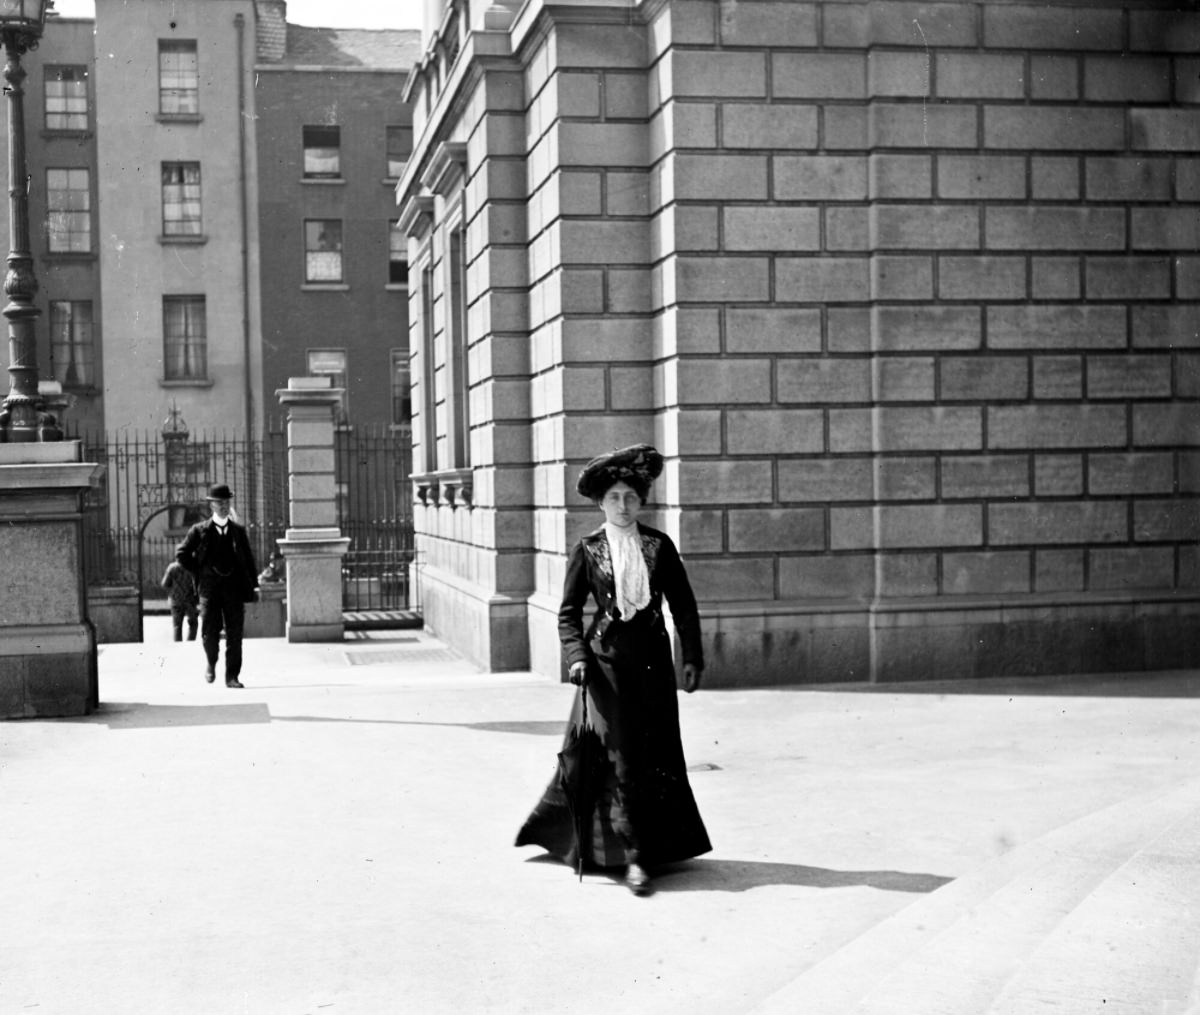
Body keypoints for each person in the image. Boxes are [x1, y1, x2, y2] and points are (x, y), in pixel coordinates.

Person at [515, 444, 711, 895]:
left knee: (656, 752)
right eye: (614, 497)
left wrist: (693, 657)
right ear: (601, 503)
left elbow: (683, 607)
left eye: (631, 497)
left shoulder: (659, 546)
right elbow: (567, 614)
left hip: (653, 667)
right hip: (604, 668)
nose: (623, 506)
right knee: (620, 757)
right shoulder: (588, 550)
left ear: (641, 502)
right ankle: (636, 857)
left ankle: (656, 844)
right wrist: (577, 658)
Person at [175, 483, 260, 689]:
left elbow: (248, 561)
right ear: (211, 505)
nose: (223, 506)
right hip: (209, 590)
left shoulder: (238, 532)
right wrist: (199, 570)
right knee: (209, 632)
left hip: (234, 589)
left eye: (226, 502)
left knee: (235, 634)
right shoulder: (199, 530)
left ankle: (232, 676)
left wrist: (254, 586)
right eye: (219, 503)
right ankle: (211, 663)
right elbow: (182, 554)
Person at [160, 560, 199, 642]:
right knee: (193, 623)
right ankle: (190, 643)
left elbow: (164, 584)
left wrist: (173, 592)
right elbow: (197, 585)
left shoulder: (172, 567)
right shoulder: (192, 567)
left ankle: (178, 647)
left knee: (177, 625)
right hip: (190, 600)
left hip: (175, 600)